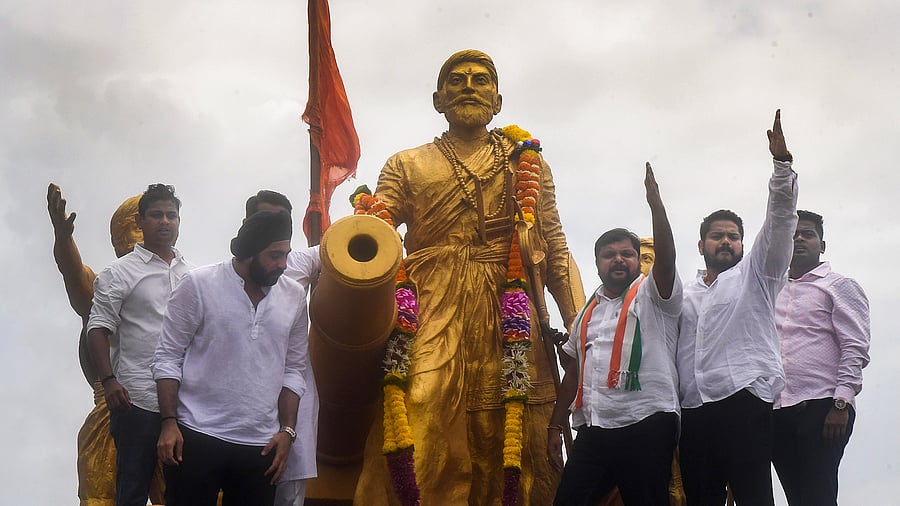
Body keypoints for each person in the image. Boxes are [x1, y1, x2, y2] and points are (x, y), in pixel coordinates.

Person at [352, 49, 585, 505]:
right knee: (420, 405)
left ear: (498, 101)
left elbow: (554, 245)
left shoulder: (527, 162)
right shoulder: (407, 163)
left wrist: (580, 328)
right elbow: (376, 232)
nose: (470, 87)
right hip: (434, 306)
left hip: (509, 300)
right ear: (438, 100)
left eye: (481, 80)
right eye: (456, 80)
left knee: (523, 431)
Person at [676, 110, 798, 505]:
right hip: (693, 410)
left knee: (753, 497)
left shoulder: (757, 275)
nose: (725, 242)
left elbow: (780, 222)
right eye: (716, 236)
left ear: (744, 246)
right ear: (701, 246)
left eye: (733, 237)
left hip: (744, 401)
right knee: (701, 498)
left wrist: (782, 167)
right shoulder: (684, 294)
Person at [153, 210, 309, 506]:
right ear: (249, 252)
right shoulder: (198, 285)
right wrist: (169, 423)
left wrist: (287, 431)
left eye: (286, 254)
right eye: (274, 255)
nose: (283, 265)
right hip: (196, 437)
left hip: (261, 448)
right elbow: (167, 357)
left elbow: (295, 369)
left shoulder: (294, 296)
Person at [549, 163, 680, 505]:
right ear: (597, 264)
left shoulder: (653, 296)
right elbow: (573, 371)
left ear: (638, 261)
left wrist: (657, 208)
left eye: (627, 254)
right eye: (609, 255)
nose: (619, 260)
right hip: (594, 428)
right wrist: (554, 425)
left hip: (646, 423)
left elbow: (665, 261)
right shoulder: (585, 314)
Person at [47, 184, 166, 506]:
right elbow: (73, 274)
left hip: (172, 413)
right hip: (113, 414)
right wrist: (63, 238)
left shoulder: (181, 285)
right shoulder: (104, 287)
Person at [86, 183, 190, 506]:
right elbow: (97, 328)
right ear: (141, 222)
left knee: (185, 490)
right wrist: (108, 381)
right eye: (156, 215)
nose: (165, 222)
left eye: (171, 215)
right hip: (136, 401)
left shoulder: (192, 276)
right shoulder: (119, 273)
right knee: (131, 490)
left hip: (186, 403)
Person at [772, 210, 870, 506]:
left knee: (818, 494)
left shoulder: (840, 286)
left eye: (808, 234)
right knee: (797, 496)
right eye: (793, 234)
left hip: (824, 406)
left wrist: (841, 402)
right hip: (778, 409)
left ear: (822, 245)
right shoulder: (771, 288)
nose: (799, 238)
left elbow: (855, 347)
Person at [244, 190, 321, 506]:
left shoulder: (301, 261)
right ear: (247, 224)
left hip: (292, 380)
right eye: (265, 219)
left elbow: (352, 245)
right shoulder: (218, 278)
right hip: (241, 389)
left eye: (280, 221)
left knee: (288, 493)